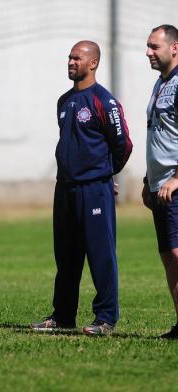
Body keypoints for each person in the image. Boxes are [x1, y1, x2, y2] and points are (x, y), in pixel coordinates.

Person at [30, 40, 132, 335]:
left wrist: (105, 174)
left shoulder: (104, 101)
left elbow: (123, 143)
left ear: (93, 63)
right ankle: (62, 316)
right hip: (65, 189)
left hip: (94, 189)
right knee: (66, 256)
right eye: (69, 57)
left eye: (77, 58)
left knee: (101, 254)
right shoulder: (64, 101)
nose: (71, 62)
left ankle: (106, 318)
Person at [142, 24, 178, 339]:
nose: (148, 52)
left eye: (154, 46)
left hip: (174, 186)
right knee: (169, 254)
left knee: (177, 253)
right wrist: (147, 179)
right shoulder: (160, 83)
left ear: (174, 48)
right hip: (158, 186)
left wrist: (177, 178)